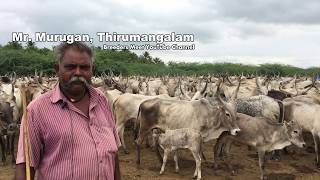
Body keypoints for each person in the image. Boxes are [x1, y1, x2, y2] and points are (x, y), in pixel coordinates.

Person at [15, 42, 121, 180]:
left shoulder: (102, 100)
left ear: (92, 70)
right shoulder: (37, 110)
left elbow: (113, 154)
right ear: (57, 68)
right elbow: (24, 166)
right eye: (70, 67)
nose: (78, 72)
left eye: (84, 67)